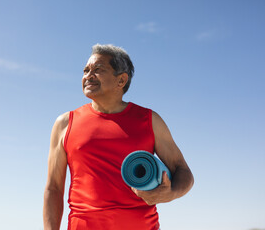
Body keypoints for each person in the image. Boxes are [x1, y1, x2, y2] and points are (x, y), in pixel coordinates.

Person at [43, 44, 194, 230]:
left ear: (121, 80)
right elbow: (53, 189)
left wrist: (169, 194)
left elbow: (183, 172)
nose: (88, 76)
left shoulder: (150, 120)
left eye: (98, 70)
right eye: (85, 70)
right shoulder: (65, 123)